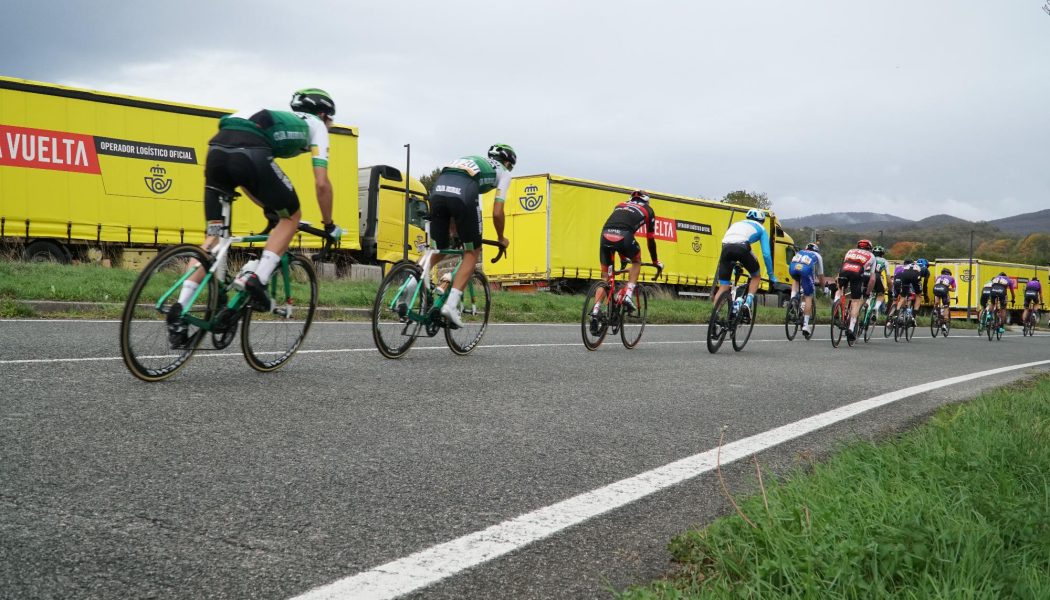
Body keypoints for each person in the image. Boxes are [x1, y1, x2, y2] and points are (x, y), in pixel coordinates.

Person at [168, 88, 340, 348]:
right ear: (323, 114)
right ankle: (256, 280)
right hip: (250, 151)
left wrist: (268, 207)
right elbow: (322, 184)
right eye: (331, 122)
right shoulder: (316, 126)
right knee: (292, 217)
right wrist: (329, 224)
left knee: (213, 239)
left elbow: (247, 179)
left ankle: (179, 309)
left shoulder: (280, 117)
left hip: (217, 149)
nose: (330, 126)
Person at [424, 144, 516, 327]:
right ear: (507, 162)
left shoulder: (472, 159)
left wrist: (454, 225)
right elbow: (497, 212)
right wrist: (501, 238)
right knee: (472, 252)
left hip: (439, 187)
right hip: (463, 193)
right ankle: (450, 305)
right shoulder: (504, 172)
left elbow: (453, 197)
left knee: (438, 248)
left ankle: (411, 282)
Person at [589, 191, 664, 332]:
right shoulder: (648, 210)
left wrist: (623, 258)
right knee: (637, 261)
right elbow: (650, 239)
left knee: (605, 279)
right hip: (625, 237)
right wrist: (655, 261)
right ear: (646, 201)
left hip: (605, 235)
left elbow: (616, 227)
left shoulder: (620, 205)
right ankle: (628, 295)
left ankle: (595, 310)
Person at [712, 209, 778, 320]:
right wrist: (771, 275)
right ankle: (747, 304)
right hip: (742, 247)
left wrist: (733, 264)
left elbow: (732, 244)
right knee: (756, 276)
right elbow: (766, 254)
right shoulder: (761, 228)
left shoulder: (737, 224)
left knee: (723, 287)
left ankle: (714, 317)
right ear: (762, 220)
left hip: (726, 248)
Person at [836, 239, 878, 342]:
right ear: (870, 248)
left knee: (841, 290)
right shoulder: (872, 256)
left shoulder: (850, 251)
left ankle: (836, 307)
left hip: (844, 270)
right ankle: (851, 328)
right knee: (855, 301)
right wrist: (868, 292)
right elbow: (872, 279)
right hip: (857, 272)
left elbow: (842, 266)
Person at [788, 242, 826, 339]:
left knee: (796, 279)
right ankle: (805, 324)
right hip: (805, 271)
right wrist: (823, 288)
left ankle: (792, 299)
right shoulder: (817, 255)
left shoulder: (800, 251)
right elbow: (820, 276)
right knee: (808, 296)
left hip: (792, 268)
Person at [867, 245, 890, 318]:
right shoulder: (885, 261)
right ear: (882, 254)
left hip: (867, 275)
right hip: (877, 277)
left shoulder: (870, 258)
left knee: (867, 291)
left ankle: (867, 303)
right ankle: (876, 307)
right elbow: (888, 276)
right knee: (881, 294)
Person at [932, 267, 957, 333]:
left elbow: (937, 284)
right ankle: (944, 324)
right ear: (949, 274)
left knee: (937, 300)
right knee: (946, 306)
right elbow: (954, 289)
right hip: (944, 290)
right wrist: (947, 288)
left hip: (936, 289)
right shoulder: (951, 278)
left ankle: (935, 309)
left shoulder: (938, 277)